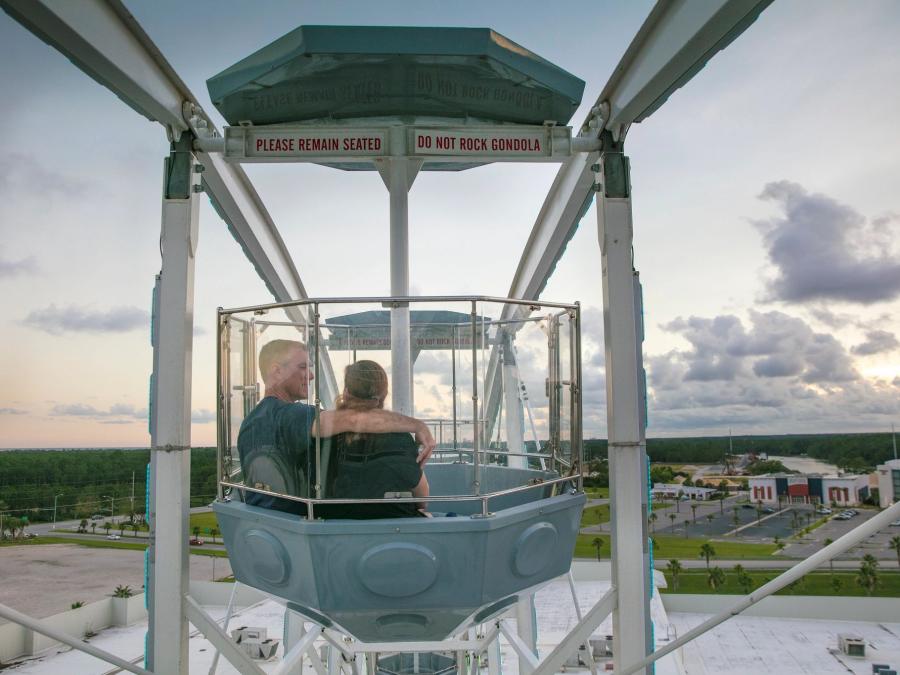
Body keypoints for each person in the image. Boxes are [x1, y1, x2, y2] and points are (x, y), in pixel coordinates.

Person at [237, 340, 434, 515]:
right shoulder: (290, 415)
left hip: (267, 528)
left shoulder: (250, 423)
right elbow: (351, 420)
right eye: (303, 367)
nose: (312, 375)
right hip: (299, 528)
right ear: (277, 371)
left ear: (347, 392)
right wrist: (416, 425)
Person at [325, 360, 430, 519]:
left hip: (338, 520)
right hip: (395, 521)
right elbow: (422, 498)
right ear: (384, 396)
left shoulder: (327, 434)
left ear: (346, 392)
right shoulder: (400, 437)